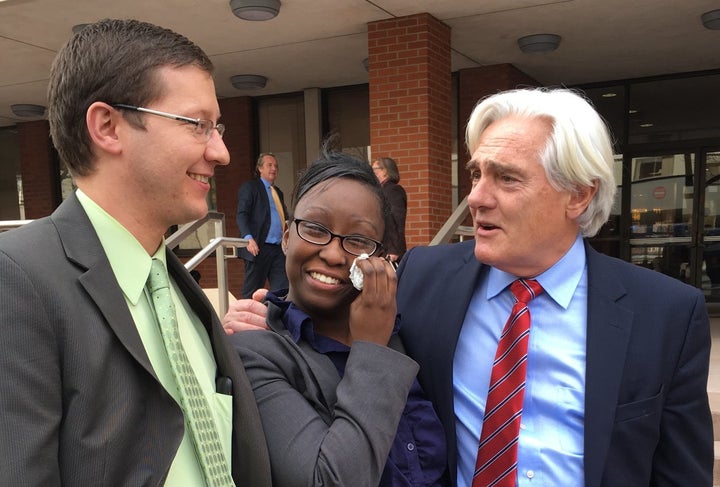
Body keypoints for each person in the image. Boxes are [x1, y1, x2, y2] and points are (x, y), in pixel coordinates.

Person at [223, 87, 713, 486]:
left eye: (507, 179)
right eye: (477, 173)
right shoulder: (423, 276)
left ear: (578, 196)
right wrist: (267, 314)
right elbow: (331, 299)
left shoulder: (665, 313)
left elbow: (679, 473)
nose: (476, 197)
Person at [0, 19, 271, 486]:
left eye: (218, 127)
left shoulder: (177, 289)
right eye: (198, 125)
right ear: (108, 126)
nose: (222, 152)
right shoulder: (17, 279)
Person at [228, 150, 448, 486]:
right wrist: (372, 349)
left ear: (378, 256)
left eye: (358, 240)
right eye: (315, 229)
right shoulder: (257, 351)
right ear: (287, 237)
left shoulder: (403, 330)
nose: (332, 253)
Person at [236, 153, 290, 298]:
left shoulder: (278, 192)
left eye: (276, 166)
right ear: (260, 168)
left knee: (283, 289)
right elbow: (242, 214)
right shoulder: (251, 187)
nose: (274, 168)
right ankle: (245, 318)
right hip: (258, 247)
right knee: (252, 292)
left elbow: (284, 217)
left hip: (278, 249)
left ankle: (277, 318)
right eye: (269, 165)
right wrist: (248, 238)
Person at [372, 157, 407, 263]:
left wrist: (393, 250)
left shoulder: (393, 190)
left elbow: (395, 220)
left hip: (390, 251)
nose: (372, 172)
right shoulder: (380, 190)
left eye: (375, 169)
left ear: (385, 171)